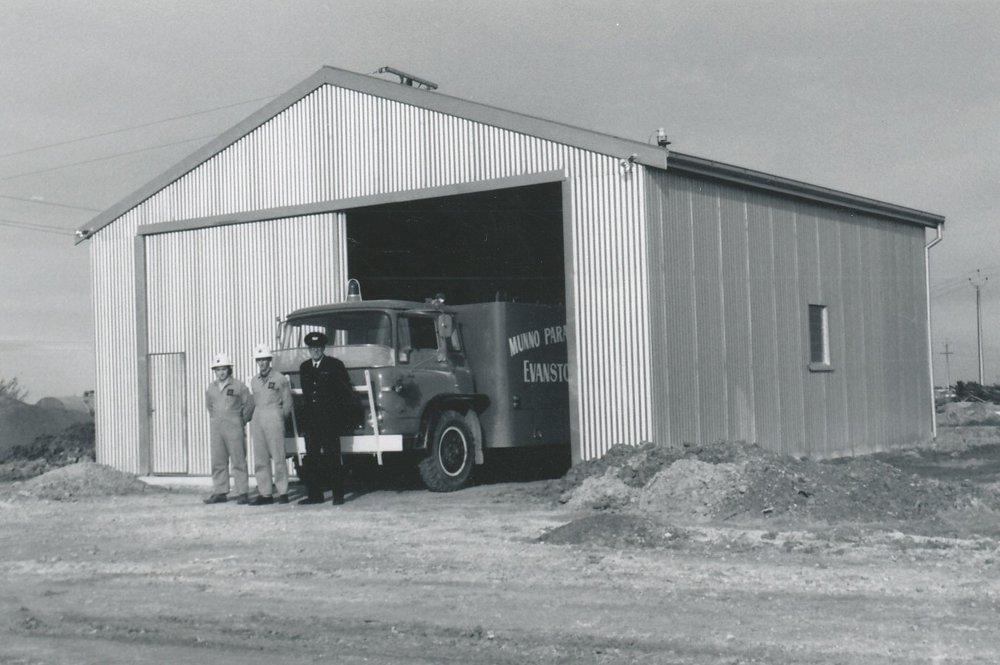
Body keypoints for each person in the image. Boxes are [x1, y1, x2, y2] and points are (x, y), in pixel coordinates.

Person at [298, 331, 354, 505]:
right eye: (312, 348)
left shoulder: (335, 365)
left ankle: (338, 495)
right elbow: (306, 395)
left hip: (329, 420)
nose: (315, 351)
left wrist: (341, 418)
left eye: (318, 347)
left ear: (323, 348)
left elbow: (345, 393)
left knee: (332, 457)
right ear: (308, 349)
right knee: (312, 458)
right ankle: (315, 495)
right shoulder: (305, 367)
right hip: (311, 421)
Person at [203, 352, 255, 505]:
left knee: (238, 459)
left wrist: (241, 420)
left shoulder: (239, 386)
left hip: (234, 426)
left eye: (224, 369)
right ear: (214, 371)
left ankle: (242, 492)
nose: (221, 372)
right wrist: (216, 419)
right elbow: (210, 406)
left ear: (229, 370)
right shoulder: (211, 388)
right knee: (218, 460)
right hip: (217, 427)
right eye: (218, 369)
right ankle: (220, 491)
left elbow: (249, 405)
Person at [248, 343, 293, 505]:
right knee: (260, 458)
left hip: (274, 415)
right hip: (258, 416)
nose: (262, 363)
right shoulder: (254, 381)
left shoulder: (280, 379)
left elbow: (287, 402)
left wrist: (281, 417)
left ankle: (283, 492)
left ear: (269, 360)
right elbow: (253, 401)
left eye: (265, 360)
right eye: (259, 360)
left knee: (278, 455)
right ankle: (265, 493)